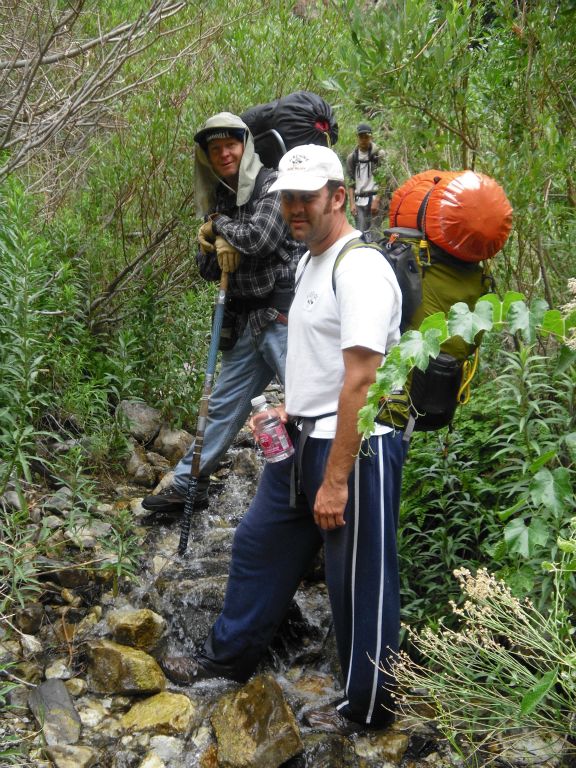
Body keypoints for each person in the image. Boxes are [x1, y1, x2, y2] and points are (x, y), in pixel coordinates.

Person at [160, 145, 407, 735]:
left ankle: (369, 708)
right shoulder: (308, 261)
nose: (295, 208)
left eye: (307, 197)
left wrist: (338, 478)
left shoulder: (362, 268)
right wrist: (280, 411)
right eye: (287, 198)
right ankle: (227, 659)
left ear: (337, 197)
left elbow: (363, 379)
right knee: (255, 544)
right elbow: (317, 360)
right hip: (298, 438)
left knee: (358, 584)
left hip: (356, 447)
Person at [142, 113, 303, 516]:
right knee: (220, 408)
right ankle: (185, 484)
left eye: (231, 145)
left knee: (309, 404)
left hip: (283, 316)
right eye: (216, 150)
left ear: (245, 147)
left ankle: (332, 486)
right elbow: (208, 269)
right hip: (245, 320)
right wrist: (215, 238)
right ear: (208, 158)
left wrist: (220, 230)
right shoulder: (220, 198)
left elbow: (261, 238)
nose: (224, 153)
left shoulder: (270, 184)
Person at [346, 122, 387, 234]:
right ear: (357, 138)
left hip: (375, 199)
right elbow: (350, 182)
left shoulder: (379, 154)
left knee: (375, 234)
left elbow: (384, 179)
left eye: (366, 137)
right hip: (359, 201)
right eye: (361, 137)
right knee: (360, 234)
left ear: (371, 137)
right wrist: (352, 203)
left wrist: (377, 200)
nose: (364, 139)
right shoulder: (352, 158)